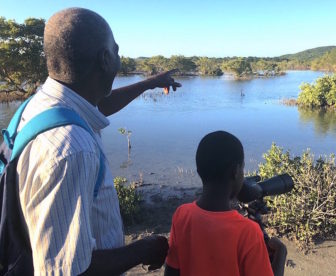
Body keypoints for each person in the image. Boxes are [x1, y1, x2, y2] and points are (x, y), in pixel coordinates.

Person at [15, 8, 181, 275]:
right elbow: (65, 270)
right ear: (105, 58)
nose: (118, 58)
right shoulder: (72, 149)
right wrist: (141, 250)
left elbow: (98, 106)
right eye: (116, 51)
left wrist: (150, 83)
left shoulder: (41, 106)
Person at [164, 131, 287, 276]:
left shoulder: (182, 215)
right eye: (242, 168)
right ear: (235, 172)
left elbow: (171, 272)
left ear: (198, 171)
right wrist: (280, 255)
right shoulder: (248, 232)